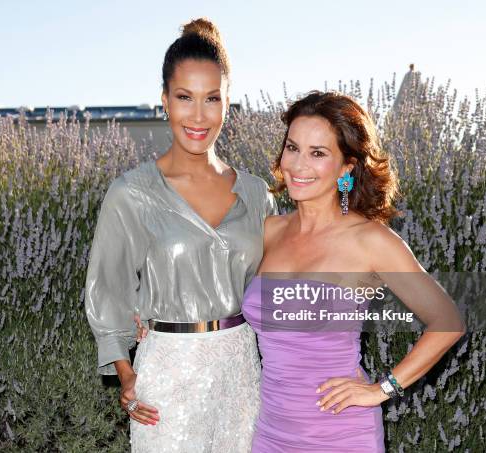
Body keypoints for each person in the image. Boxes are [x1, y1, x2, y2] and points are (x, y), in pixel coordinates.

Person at [84, 18, 277, 453]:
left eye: (212, 99)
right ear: (165, 101)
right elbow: (107, 286)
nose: (198, 115)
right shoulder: (131, 193)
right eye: (184, 98)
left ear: (228, 102)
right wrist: (127, 372)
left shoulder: (257, 194)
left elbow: (274, 290)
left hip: (242, 375)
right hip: (167, 378)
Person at [241, 91, 465, 452]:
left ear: (347, 167)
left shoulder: (369, 240)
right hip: (271, 432)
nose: (298, 165)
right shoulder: (269, 232)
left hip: (341, 433)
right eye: (293, 147)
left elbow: (448, 321)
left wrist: (382, 389)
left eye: (318, 153)